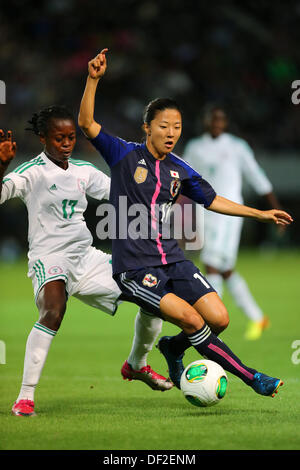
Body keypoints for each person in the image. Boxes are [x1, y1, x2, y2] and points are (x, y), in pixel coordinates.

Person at [78, 49, 292, 397]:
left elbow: (212, 199)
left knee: (219, 318)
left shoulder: (180, 168)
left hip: (172, 259)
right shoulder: (124, 154)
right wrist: (93, 79)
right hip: (134, 268)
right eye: (164, 126)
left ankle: (173, 348)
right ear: (147, 127)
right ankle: (253, 378)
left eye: (177, 127)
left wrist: (259, 213)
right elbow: (87, 124)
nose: (171, 132)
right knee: (193, 320)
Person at [0, 114, 173, 417]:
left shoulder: (83, 171)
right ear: (43, 138)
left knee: (154, 297)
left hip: (86, 258)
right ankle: (25, 397)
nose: (66, 144)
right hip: (49, 258)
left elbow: (123, 196)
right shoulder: (32, 172)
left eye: (70, 137)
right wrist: (2, 165)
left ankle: (136, 364)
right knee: (53, 311)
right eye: (59, 138)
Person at [183, 106, 283, 340]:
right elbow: (183, 176)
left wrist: (274, 206)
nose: (217, 122)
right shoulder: (195, 147)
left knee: (211, 264)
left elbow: (256, 175)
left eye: (221, 119)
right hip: (206, 213)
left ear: (225, 123)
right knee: (225, 268)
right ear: (205, 121)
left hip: (230, 214)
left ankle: (209, 323)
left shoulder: (237, 147)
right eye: (212, 118)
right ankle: (258, 318)